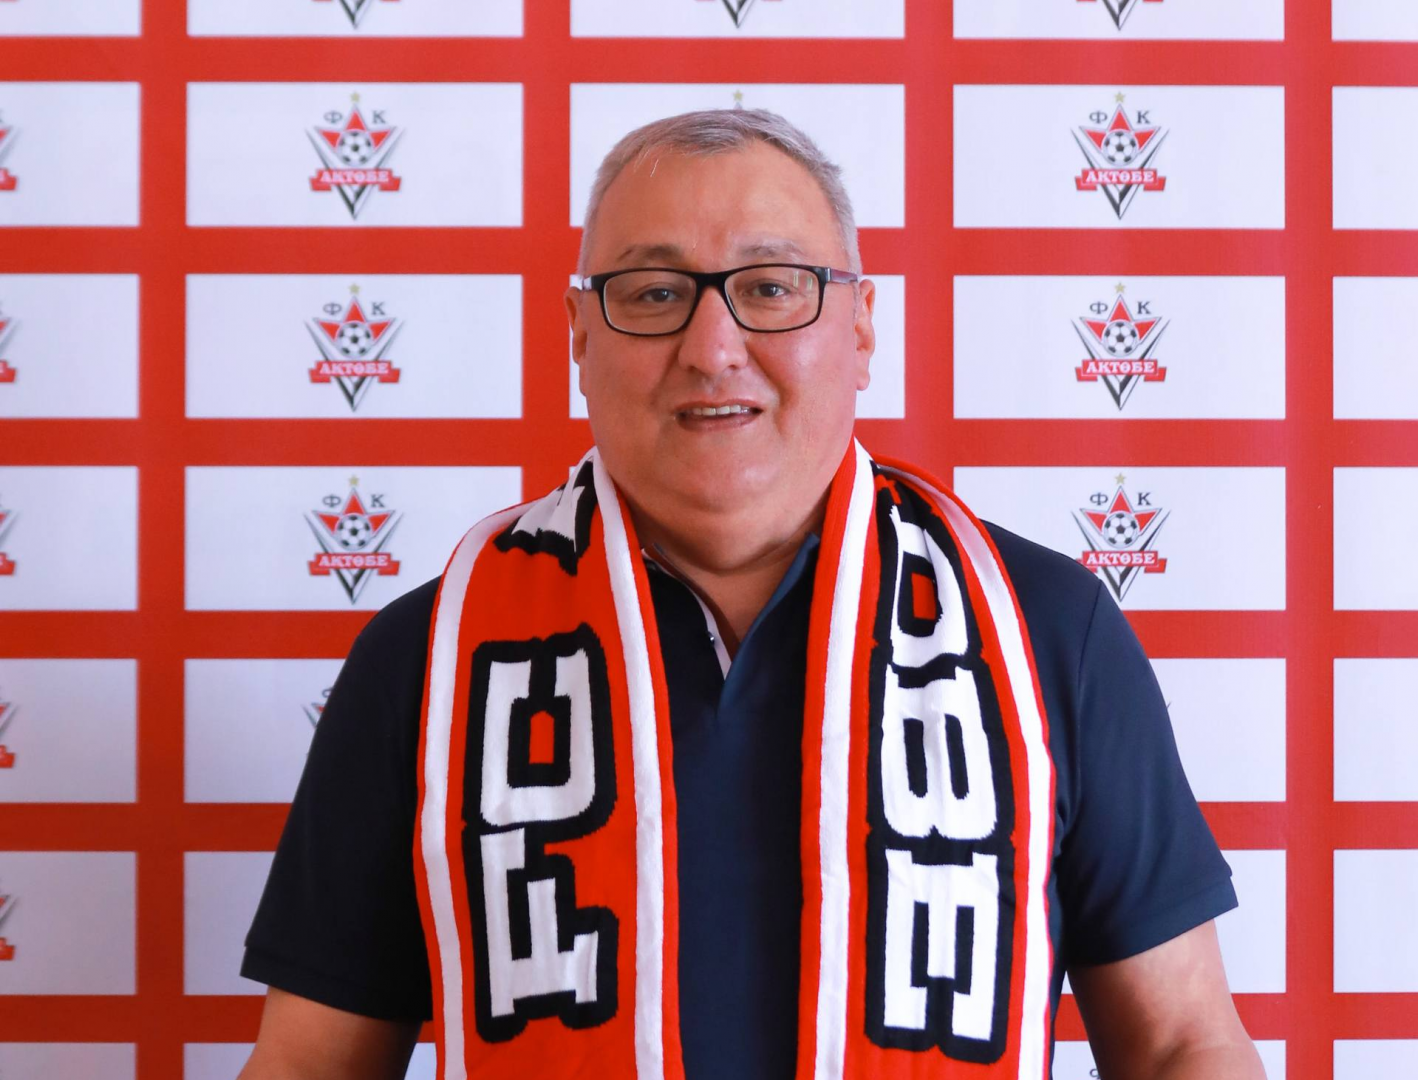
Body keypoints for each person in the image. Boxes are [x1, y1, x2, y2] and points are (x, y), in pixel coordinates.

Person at [237, 109, 1264, 1080]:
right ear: (579, 334)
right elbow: (308, 1063)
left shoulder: (1043, 630)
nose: (713, 347)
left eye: (771, 288)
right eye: (652, 293)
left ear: (861, 327)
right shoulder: (432, 656)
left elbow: (1180, 1044)